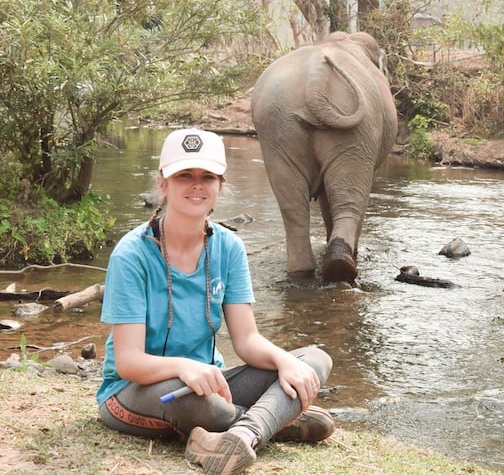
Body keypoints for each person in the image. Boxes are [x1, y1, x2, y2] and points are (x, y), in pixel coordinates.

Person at [96, 128, 335, 475]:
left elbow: (247, 341)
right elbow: (128, 362)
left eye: (207, 176)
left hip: (212, 381)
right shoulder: (132, 254)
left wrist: (286, 362)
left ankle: (242, 434)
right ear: (163, 183)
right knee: (197, 401)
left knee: (313, 361)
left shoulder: (229, 247)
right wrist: (184, 367)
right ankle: (272, 421)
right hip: (136, 390)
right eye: (184, 176)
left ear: (220, 185)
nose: (197, 185)